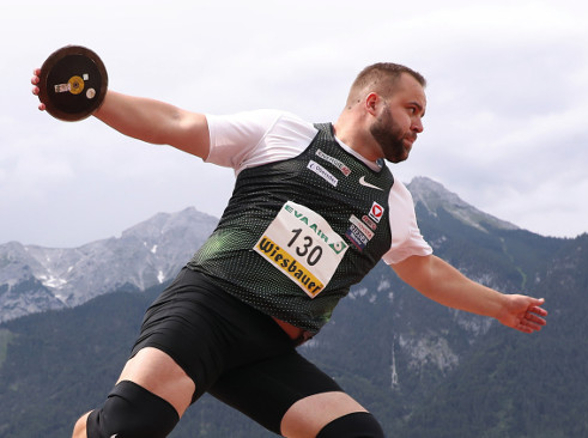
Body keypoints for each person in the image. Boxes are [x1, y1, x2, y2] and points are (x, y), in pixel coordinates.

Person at [32, 62, 547, 438]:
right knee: (127, 429)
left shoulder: (394, 203)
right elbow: (176, 123)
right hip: (206, 313)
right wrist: (94, 98)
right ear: (372, 102)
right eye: (412, 110)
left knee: (356, 435)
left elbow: (425, 270)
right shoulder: (284, 133)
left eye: (423, 115)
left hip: (267, 349)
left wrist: (500, 305)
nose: (420, 125)